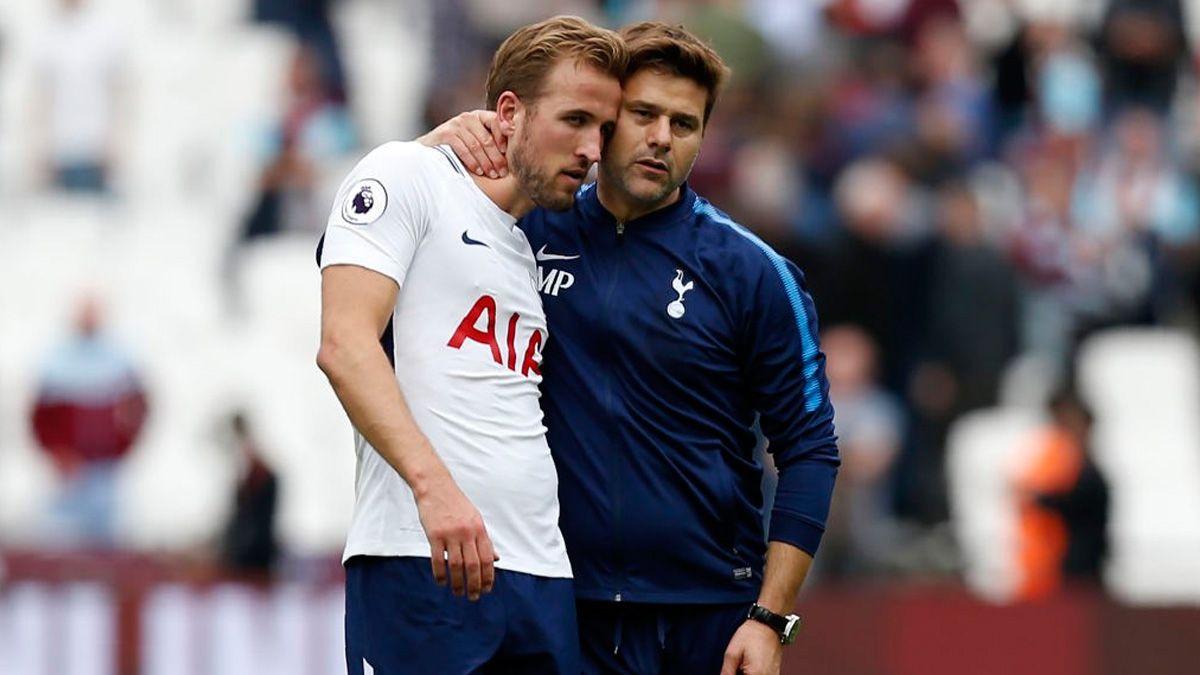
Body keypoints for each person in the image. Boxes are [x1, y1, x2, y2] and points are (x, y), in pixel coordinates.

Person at [423, 21, 839, 675]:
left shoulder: (754, 272)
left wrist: (769, 618)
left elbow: (810, 450)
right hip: (564, 608)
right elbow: (361, 259)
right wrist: (430, 154)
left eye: (685, 123)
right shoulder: (520, 232)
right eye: (643, 113)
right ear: (606, 120)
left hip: (712, 616)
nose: (661, 138)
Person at [316, 16, 625, 674]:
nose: (592, 149)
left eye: (604, 129)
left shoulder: (533, 245)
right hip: (422, 555)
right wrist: (436, 492)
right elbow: (344, 343)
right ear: (507, 112)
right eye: (573, 120)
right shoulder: (409, 174)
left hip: (540, 570)